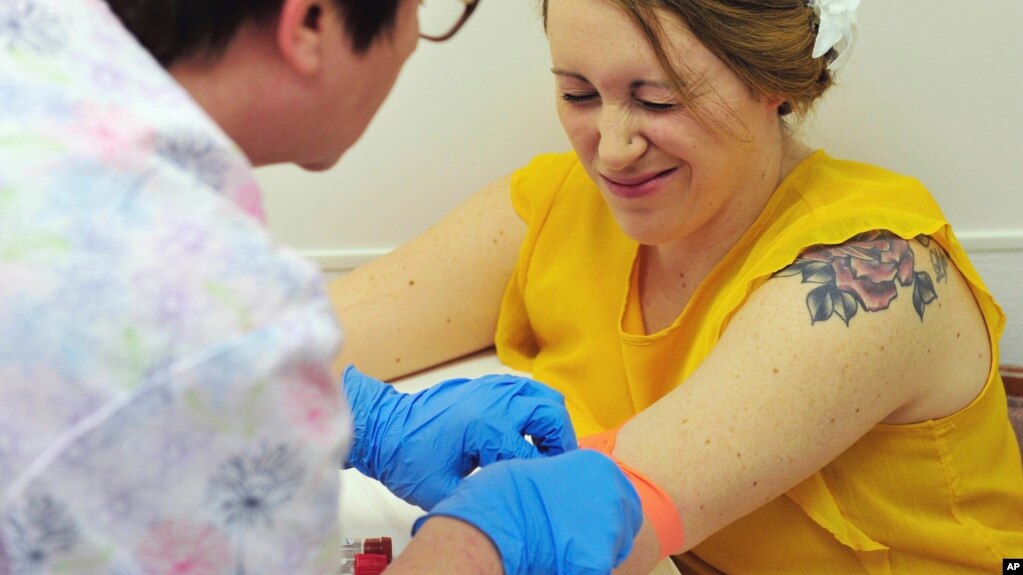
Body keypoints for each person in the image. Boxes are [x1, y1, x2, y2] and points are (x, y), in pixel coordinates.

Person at [330, 0, 1023, 572]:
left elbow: (576, 518)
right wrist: (353, 415)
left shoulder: (871, 277)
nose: (610, 146)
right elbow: (289, 339)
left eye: (656, 100)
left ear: (771, 79)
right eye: (577, 93)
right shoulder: (561, 207)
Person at [0, 0, 644, 574]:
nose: (416, 38)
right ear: (309, 20)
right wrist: (478, 547)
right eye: (416, 9)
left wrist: (356, 416)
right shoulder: (213, 315)